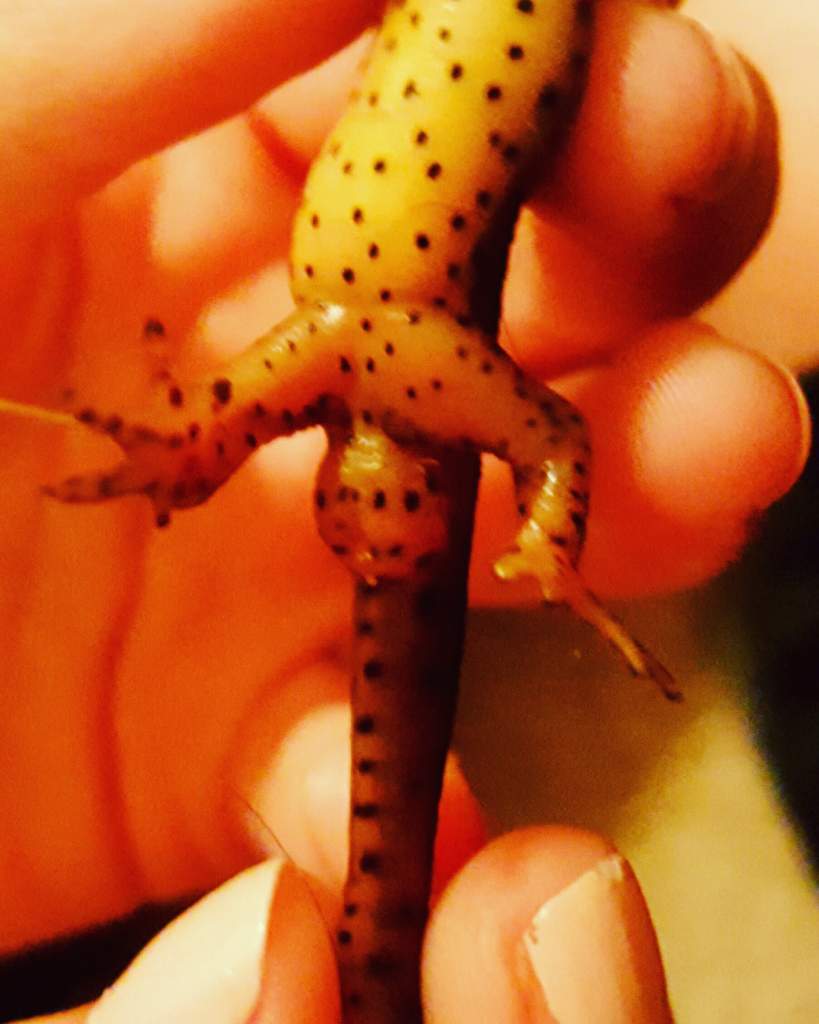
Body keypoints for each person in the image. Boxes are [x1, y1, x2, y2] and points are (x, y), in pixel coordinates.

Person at [0, 1, 810, 1020]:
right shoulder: (355, 360)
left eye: (365, 522)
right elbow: (547, 434)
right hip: (392, 322)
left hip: (389, 322)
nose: (374, 530)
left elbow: (543, 433)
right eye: (377, 524)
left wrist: (548, 537)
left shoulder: (349, 358)